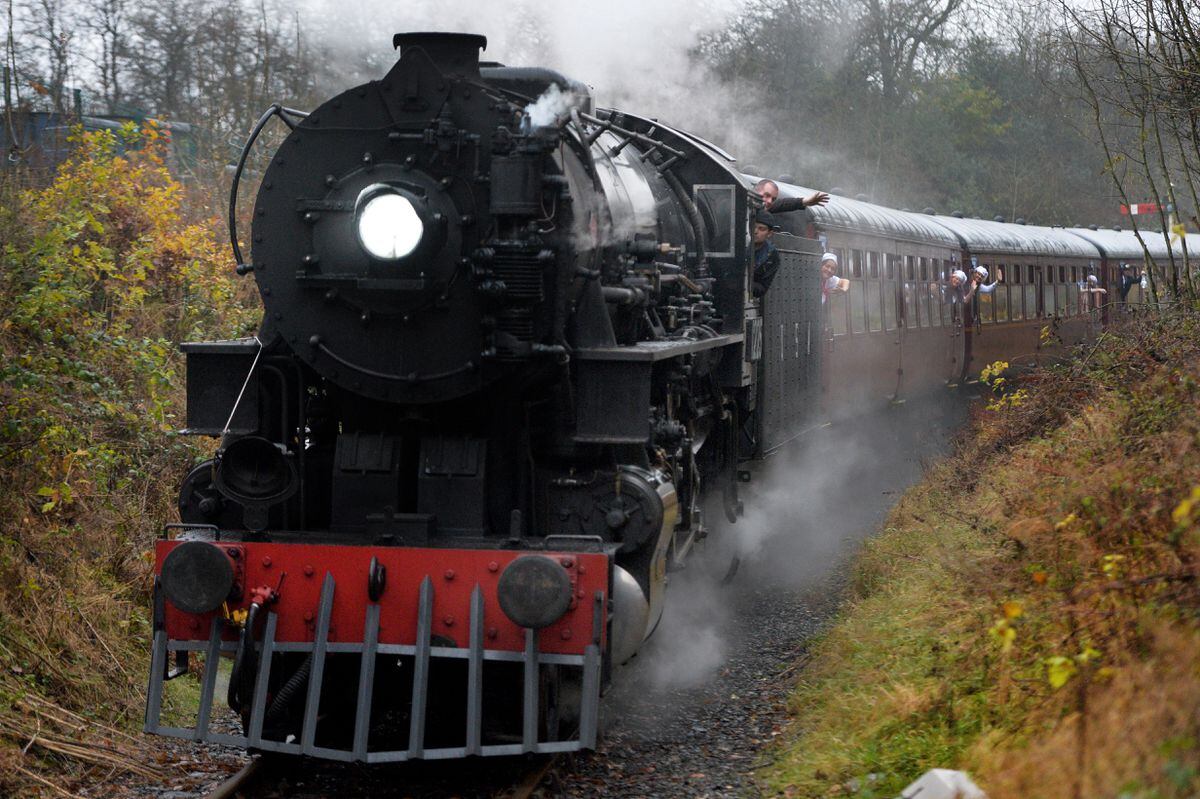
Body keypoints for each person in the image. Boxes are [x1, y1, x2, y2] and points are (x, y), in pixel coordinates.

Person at [755, 179, 830, 214]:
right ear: (756, 191)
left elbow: (782, 204)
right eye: (767, 195)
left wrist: (804, 201)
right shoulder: (744, 204)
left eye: (773, 199)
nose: (770, 201)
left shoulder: (763, 207)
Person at [752, 210, 782, 297]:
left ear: (769, 234)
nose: (755, 231)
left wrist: (746, 284)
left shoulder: (772, 256)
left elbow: (762, 288)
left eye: (761, 229)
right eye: (753, 227)